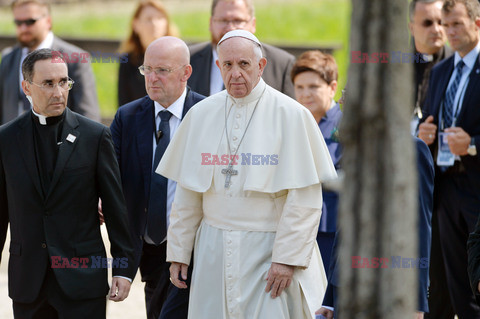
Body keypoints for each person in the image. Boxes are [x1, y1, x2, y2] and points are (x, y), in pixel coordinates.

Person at [157, 30, 337, 318]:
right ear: (218, 66)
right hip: (212, 252)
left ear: (261, 66)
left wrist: (286, 259)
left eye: (244, 64)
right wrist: (179, 252)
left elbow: (304, 199)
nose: (235, 73)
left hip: (269, 253)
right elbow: (188, 193)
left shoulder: (291, 115)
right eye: (228, 65)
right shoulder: (201, 115)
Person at [0, 48, 135, 318]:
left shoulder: (95, 136)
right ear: (26, 87)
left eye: (64, 82)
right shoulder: (6, 139)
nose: (58, 92)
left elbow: (115, 207)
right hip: (28, 283)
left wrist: (123, 268)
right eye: (48, 83)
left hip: (83, 283)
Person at [110, 36, 204, 319]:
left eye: (161, 70)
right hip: (150, 249)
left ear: (185, 73)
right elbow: (110, 179)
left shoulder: (207, 114)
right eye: (146, 69)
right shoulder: (127, 117)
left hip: (195, 250)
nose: (152, 78)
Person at [418, 0, 480, 317]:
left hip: (476, 191)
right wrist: (424, 133)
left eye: (456, 24)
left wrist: (473, 145)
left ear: (477, 24)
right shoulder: (441, 70)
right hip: (444, 191)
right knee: (452, 285)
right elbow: (430, 121)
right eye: (445, 23)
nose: (448, 32)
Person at [408, 2, 454, 317]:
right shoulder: (393, 64)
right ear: (411, 25)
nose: (436, 30)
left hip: (448, 186)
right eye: (427, 22)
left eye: (442, 22)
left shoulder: (458, 64)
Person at [0, 0, 100, 124]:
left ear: (48, 21)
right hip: (14, 140)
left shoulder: (75, 58)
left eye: (30, 21)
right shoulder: (8, 58)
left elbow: (88, 116)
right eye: (18, 22)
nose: (23, 28)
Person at [290, 50, 342, 278]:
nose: (305, 94)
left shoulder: (347, 123)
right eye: (299, 88)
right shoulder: (292, 122)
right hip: (297, 228)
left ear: (332, 87)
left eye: (313, 87)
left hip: (334, 228)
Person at [188, 0, 295, 98]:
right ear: (211, 23)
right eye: (223, 20)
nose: (230, 28)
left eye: (237, 20)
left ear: (253, 24)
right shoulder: (188, 60)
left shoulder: (282, 65)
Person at [118, 0, 179, 106]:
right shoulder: (128, 61)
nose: (154, 24)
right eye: (148, 19)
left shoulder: (180, 57)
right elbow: (123, 103)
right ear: (136, 25)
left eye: (159, 18)